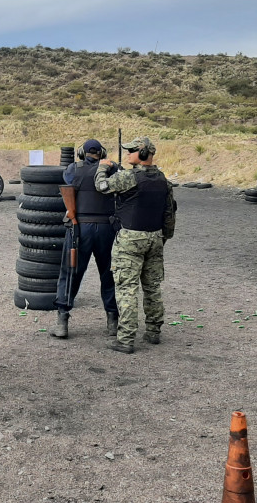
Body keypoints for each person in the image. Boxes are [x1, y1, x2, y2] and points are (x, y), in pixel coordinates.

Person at [94, 136, 175, 354]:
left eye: (131, 150)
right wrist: (165, 237)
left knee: (126, 288)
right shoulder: (162, 179)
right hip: (155, 238)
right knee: (152, 287)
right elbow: (169, 212)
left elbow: (101, 187)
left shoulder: (129, 177)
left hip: (130, 238)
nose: (128, 154)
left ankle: (126, 339)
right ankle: (153, 332)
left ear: (141, 153)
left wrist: (102, 168)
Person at [51, 139, 119, 339]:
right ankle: (112, 321)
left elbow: (68, 179)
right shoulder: (113, 169)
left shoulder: (74, 168)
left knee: (70, 273)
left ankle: (62, 322)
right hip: (107, 228)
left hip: (80, 228)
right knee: (109, 274)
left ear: (82, 153)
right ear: (102, 153)